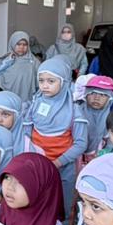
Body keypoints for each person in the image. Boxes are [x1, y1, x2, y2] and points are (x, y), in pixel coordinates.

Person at [24, 57, 88, 215]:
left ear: (64, 81)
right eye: (41, 80)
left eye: (51, 81)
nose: (44, 85)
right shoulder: (35, 104)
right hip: (37, 166)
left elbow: (80, 144)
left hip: (64, 167)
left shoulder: (74, 110)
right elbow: (26, 131)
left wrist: (58, 162)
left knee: (63, 207)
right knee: (38, 204)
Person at [0, 30, 40, 102]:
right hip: (6, 99)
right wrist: (6, 63)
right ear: (12, 44)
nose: (21, 47)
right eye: (18, 44)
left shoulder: (34, 62)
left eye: (25, 44)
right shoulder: (4, 60)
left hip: (26, 101)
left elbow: (40, 82)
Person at [77, 75, 113, 164]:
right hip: (75, 157)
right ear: (86, 94)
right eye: (93, 93)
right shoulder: (76, 112)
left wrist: (105, 152)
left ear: (110, 99)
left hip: (97, 157)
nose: (97, 98)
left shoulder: (111, 118)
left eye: (103, 95)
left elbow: (111, 140)